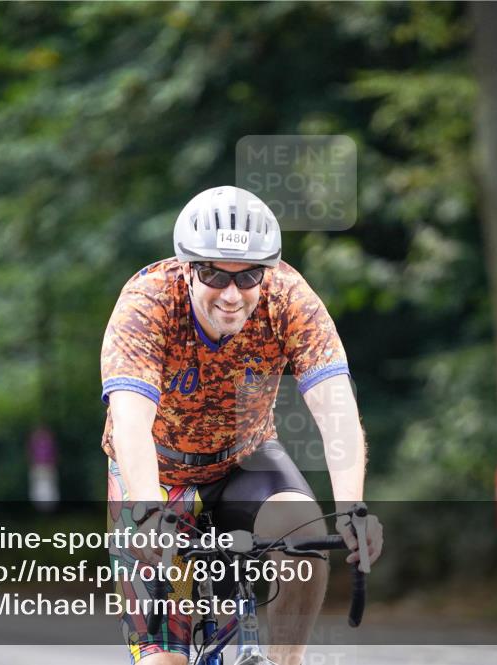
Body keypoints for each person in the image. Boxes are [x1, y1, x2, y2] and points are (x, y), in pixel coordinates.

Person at [101, 186, 383, 665]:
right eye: (214, 274)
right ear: (188, 267)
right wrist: (147, 512)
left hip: (244, 459)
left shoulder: (288, 297)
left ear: (266, 272)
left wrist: (352, 508)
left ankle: (285, 661)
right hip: (159, 473)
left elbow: (335, 407)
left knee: (302, 532)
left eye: (248, 275)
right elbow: (130, 422)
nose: (231, 294)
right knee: (164, 660)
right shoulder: (148, 303)